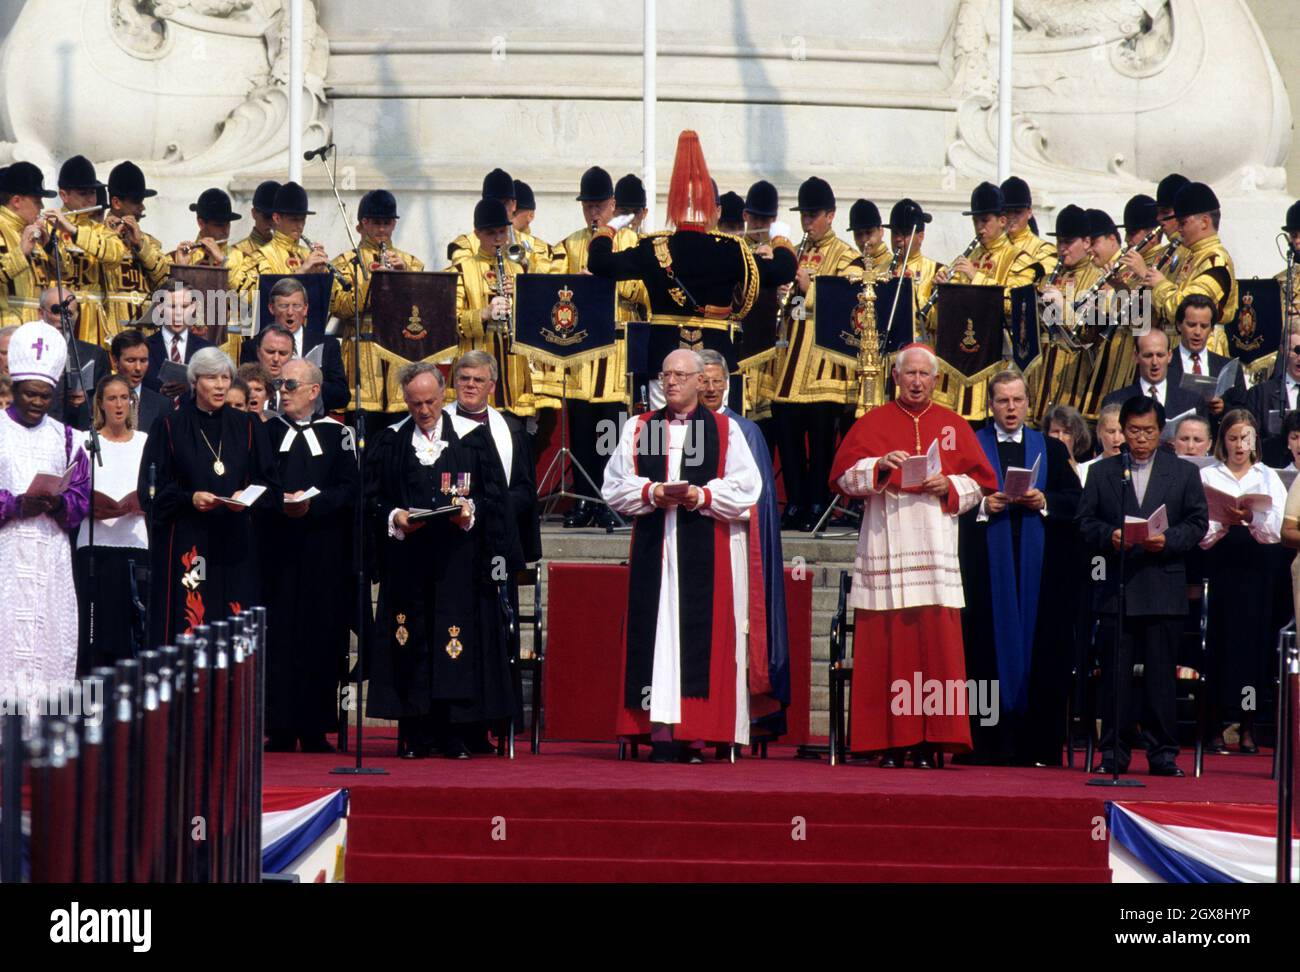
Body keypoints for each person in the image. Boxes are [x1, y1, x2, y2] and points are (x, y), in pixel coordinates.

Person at [829, 343, 998, 766]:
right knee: (887, 650)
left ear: (936, 380)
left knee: (933, 651)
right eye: (910, 374)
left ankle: (928, 742)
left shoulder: (953, 424)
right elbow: (844, 479)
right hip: (886, 544)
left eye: (925, 375)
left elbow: (981, 484)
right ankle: (886, 742)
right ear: (896, 377)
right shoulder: (872, 423)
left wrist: (951, 487)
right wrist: (880, 465)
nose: (917, 382)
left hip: (936, 550)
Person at [601, 348, 763, 762]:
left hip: (702, 545)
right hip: (655, 549)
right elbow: (614, 485)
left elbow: (747, 489)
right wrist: (650, 492)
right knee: (654, 635)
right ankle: (655, 732)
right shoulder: (641, 427)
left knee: (694, 638)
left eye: (679, 375)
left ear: (698, 381)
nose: (670, 382)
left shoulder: (725, 430)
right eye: (665, 375)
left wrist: (701, 494)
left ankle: (694, 733)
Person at [365, 362, 518, 759]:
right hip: (409, 562)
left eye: (431, 401)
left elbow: (495, 499)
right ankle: (417, 733)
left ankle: (455, 731)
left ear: (443, 395)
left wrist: (471, 513)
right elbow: (372, 498)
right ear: (405, 401)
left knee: (455, 641)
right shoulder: (390, 441)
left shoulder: (472, 439)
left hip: (458, 563)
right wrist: (393, 516)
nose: (424, 410)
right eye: (415, 403)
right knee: (411, 640)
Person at [1075, 395, 1208, 777]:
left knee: (1159, 678)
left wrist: (1169, 541)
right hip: (1117, 586)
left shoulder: (1182, 473)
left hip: (1162, 585)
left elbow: (1198, 522)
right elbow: (1084, 522)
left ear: (1160, 430)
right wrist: (1110, 535)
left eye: (1149, 431)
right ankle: (1113, 752)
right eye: (1133, 431)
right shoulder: (1104, 472)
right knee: (1115, 677)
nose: (1141, 439)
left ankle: (1162, 753)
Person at [959, 371, 1081, 766]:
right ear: (990, 404)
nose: (1011, 409)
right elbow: (948, 503)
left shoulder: (1051, 449)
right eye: (1002, 401)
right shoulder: (970, 448)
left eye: (1017, 401)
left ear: (1029, 404)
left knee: (1042, 652)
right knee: (982, 651)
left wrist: (1043, 501)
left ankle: (1038, 747)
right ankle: (985, 745)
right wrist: (982, 507)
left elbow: (1075, 503)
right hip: (984, 573)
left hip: (1040, 574)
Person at [139, 346, 280, 646]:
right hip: (190, 539)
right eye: (211, 378)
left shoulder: (247, 425)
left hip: (235, 542)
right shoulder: (169, 425)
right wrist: (189, 499)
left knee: (234, 629)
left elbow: (270, 485)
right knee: (192, 623)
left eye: (225, 377)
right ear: (194, 381)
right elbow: (150, 492)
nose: (220, 385)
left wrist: (248, 495)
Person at [262, 358, 359, 752]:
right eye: (280, 384)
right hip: (279, 551)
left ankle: (317, 726)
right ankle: (280, 726)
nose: (282, 391)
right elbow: (256, 481)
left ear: (313, 391)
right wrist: (279, 502)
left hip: (323, 553)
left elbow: (349, 490)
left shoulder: (339, 436)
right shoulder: (267, 433)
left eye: (290, 385)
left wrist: (312, 506)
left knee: (321, 638)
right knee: (280, 637)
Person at [697, 349, 791, 739]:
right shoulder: (668, 428)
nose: (712, 388)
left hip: (733, 546)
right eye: (704, 381)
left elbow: (760, 503)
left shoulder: (745, 431)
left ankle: (739, 717)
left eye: (718, 381)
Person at [0, 321, 90, 708]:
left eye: (45, 396)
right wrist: (15, 503)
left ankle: (44, 729)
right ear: (13, 387)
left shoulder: (66, 437)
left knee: (49, 636)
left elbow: (82, 491)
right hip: (7, 550)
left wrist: (59, 503)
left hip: (50, 553)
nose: (37, 403)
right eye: (30, 394)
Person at [768, 175, 865, 531]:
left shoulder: (847, 256)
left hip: (824, 368)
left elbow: (848, 305)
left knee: (822, 445)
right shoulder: (793, 250)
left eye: (814, 215)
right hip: (789, 363)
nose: (808, 222)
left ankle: (817, 503)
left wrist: (810, 290)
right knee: (789, 438)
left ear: (831, 215)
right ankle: (794, 502)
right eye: (805, 215)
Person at [556, 165, 648, 529]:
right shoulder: (569, 244)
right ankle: (582, 501)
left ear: (612, 204)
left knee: (611, 431)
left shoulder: (632, 242)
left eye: (599, 204)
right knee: (580, 431)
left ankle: (610, 501)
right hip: (580, 352)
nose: (593, 212)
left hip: (617, 350)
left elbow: (644, 294)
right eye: (587, 205)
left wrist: (606, 282)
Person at [1196, 410, 1287, 754]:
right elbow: (1200, 534)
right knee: (1220, 647)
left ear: (1255, 442)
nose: (1239, 445)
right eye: (1233, 438)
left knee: (1252, 653)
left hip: (1256, 572)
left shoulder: (1267, 478)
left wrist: (1250, 518)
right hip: (1220, 569)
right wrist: (1222, 521)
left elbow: (1277, 531)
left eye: (1245, 438)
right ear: (1223, 441)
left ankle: (1247, 725)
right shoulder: (1209, 474)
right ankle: (1216, 724)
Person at [330, 188, 426, 424]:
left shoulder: (412, 263)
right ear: (363, 224)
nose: (382, 229)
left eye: (387, 223)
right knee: (364, 436)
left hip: (398, 355)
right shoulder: (344, 263)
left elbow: (426, 310)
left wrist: (404, 278)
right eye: (375, 223)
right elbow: (339, 307)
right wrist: (373, 286)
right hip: (361, 356)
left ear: (394, 224)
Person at [75, 374, 148, 670]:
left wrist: (144, 500)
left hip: (135, 542)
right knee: (96, 628)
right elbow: (74, 488)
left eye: (124, 398)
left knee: (131, 626)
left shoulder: (145, 442)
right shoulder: (85, 441)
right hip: (95, 544)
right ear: (100, 404)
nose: (119, 404)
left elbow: (155, 488)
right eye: (112, 398)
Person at [446, 349, 540, 565]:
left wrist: (493, 506)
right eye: (464, 378)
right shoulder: (437, 427)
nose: (470, 384)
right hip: (451, 537)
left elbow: (525, 490)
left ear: (492, 387)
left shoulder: (512, 431)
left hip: (496, 535)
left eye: (478, 380)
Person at [1134, 181, 1236, 352]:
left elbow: (1189, 310)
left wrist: (1159, 284)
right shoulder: (1194, 255)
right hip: (1179, 349)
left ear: (1204, 222)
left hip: (1203, 353)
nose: (1179, 229)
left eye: (1183, 223)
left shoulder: (1216, 260)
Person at [240, 276, 347, 412]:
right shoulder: (251, 346)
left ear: (305, 309)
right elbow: (243, 391)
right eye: (283, 306)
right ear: (271, 308)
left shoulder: (327, 345)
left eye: (296, 306)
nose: (290, 312)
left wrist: (307, 383)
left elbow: (342, 396)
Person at [100, 161, 171, 336]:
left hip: (146, 333)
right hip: (111, 331)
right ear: (116, 202)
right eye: (136, 202)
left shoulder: (148, 241)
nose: (142, 207)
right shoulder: (98, 237)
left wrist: (140, 245)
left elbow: (166, 280)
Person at [1166, 294, 1246, 423]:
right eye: (1191, 325)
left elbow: (1243, 412)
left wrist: (1223, 409)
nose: (1197, 332)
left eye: (1204, 326)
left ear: (1212, 329)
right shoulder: (1162, 364)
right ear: (1179, 325)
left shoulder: (1230, 368)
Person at [38, 285, 109, 431]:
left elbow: (105, 402)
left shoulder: (94, 355)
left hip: (78, 433)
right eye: (56, 311)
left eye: (68, 313)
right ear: (40, 313)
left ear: (76, 317)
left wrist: (86, 401)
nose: (62, 319)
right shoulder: (27, 349)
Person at [1102, 327, 1206, 419]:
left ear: (1169, 356)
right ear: (1136, 356)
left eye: (1160, 355)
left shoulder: (1191, 402)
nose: (1155, 362)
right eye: (1148, 356)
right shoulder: (1115, 401)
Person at [0, 162, 57, 325]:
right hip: (6, 329)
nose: (42, 207)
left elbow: (65, 276)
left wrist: (50, 248)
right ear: (17, 201)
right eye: (37, 200)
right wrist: (21, 253)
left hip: (37, 327)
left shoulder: (35, 233)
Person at [1246, 315, 1300, 467]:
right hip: (1272, 471)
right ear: (1283, 350)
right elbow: (1247, 442)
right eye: (1296, 350)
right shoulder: (1260, 394)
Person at [144, 286, 214, 397]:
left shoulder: (208, 350)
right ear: (159, 308)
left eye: (184, 306)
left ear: (193, 307)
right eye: (172, 306)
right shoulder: (144, 348)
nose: (178, 313)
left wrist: (192, 389)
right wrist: (159, 395)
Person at [1001, 176, 1057, 280]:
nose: (1012, 217)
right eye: (1007, 211)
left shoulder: (1045, 250)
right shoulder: (992, 247)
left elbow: (1036, 286)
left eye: (1018, 212)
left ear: (1029, 212)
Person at [232, 180, 280, 262]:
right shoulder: (238, 251)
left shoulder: (290, 252)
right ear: (254, 213)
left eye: (277, 218)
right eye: (267, 217)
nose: (272, 222)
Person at [250, 325, 295, 410]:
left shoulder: (303, 390)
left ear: (291, 355)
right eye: (270, 352)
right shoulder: (241, 387)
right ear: (258, 352)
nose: (276, 359)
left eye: (282, 353)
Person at [848, 199, 891, 276]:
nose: (864, 239)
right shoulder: (852, 267)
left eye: (868, 232)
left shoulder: (894, 267)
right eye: (858, 234)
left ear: (881, 231)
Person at [1044, 404, 1091, 471]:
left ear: (1077, 436)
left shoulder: (1086, 472)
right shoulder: (1040, 470)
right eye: (1055, 432)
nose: (1060, 438)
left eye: (1066, 433)